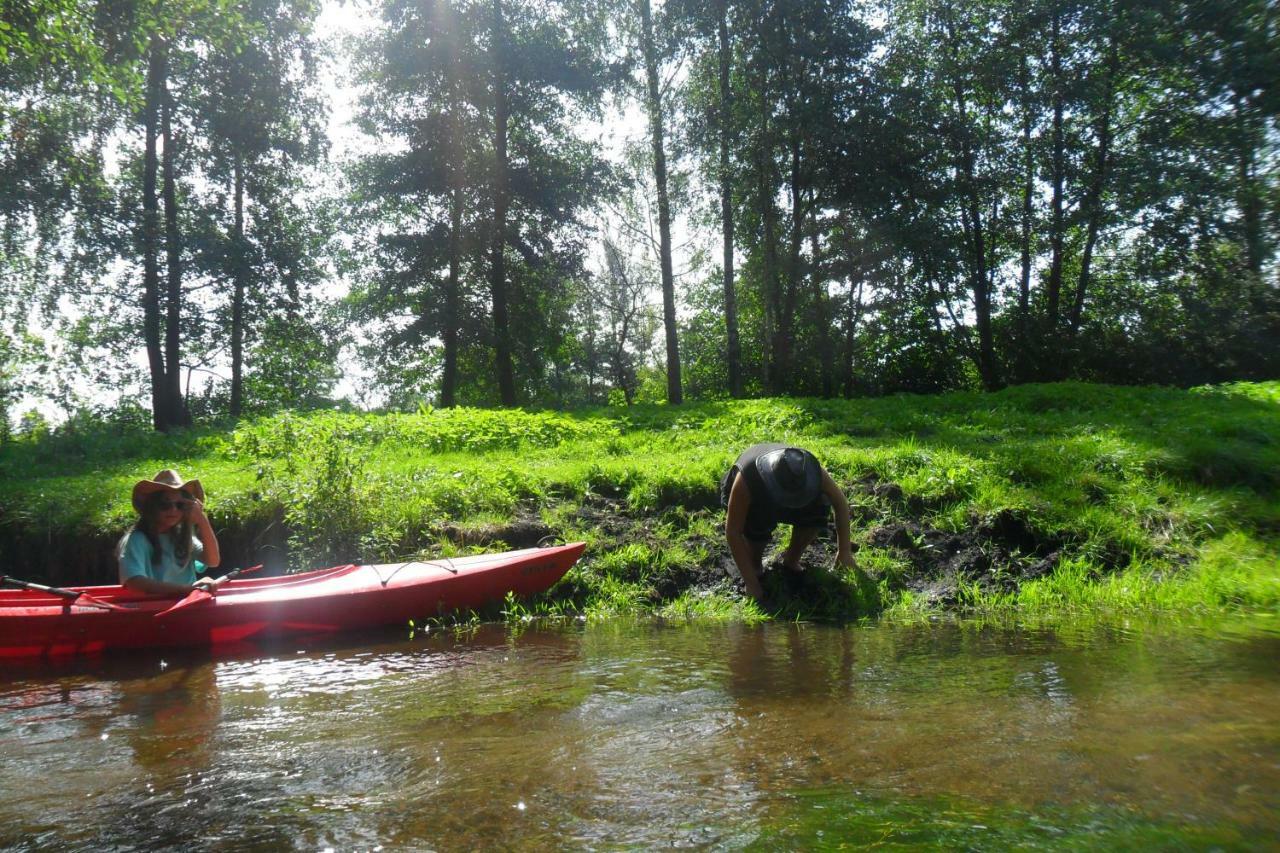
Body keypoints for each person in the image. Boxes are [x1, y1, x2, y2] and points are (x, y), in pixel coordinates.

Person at [721, 443, 855, 602]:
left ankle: (791, 560)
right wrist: (751, 584)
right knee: (758, 523)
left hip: (793, 492)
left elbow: (840, 503)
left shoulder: (810, 469)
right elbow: (733, 532)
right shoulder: (749, 477)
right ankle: (755, 565)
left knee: (819, 506)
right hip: (758, 499)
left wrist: (844, 552)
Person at [117, 469, 223, 596]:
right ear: (151, 507)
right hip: (155, 610)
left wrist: (201, 519)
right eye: (165, 505)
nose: (173, 510)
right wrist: (186, 590)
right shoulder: (136, 539)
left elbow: (213, 561)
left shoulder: (182, 536)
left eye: (180, 505)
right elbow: (135, 582)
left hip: (188, 604)